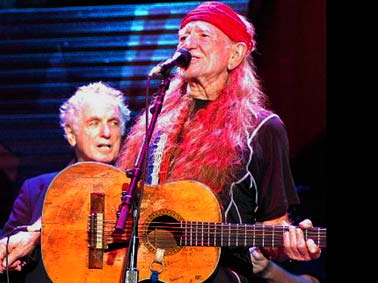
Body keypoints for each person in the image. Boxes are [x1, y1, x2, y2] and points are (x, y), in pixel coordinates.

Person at [115, 2, 323, 282]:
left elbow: (273, 228)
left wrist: (290, 243)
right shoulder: (156, 118)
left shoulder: (261, 128)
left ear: (235, 54)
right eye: (183, 37)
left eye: (203, 36)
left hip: (219, 273)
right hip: (143, 268)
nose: (188, 44)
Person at [0, 81, 131, 283]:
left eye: (114, 122)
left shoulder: (135, 190)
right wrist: (28, 247)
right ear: (71, 135)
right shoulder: (36, 189)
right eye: (94, 123)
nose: (106, 132)